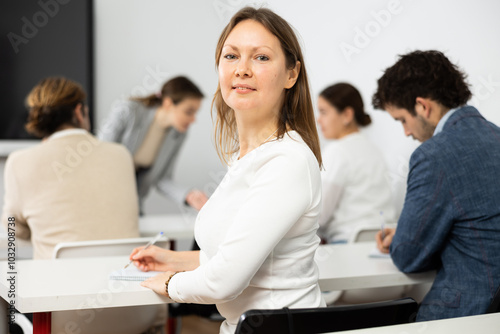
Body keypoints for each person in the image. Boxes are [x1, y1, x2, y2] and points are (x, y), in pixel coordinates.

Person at [130, 7, 325, 333]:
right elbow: (233, 256)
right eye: (231, 56)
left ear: (291, 74)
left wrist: (168, 283)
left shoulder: (287, 160)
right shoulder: (245, 157)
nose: (242, 70)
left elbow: (223, 281)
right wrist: (174, 260)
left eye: (261, 58)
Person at [373, 50, 500, 321]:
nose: (406, 132)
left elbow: (408, 255)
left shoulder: (433, 155)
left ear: (422, 107)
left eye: (402, 120)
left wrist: (404, 237)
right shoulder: (496, 136)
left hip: (466, 314)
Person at [1, 77, 139, 259]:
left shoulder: (19, 162)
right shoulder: (121, 154)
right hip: (124, 279)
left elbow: (15, 229)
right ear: (79, 111)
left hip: (57, 283)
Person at [99, 76, 208, 213]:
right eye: (188, 112)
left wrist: (189, 195)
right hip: (104, 193)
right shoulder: (129, 111)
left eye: (195, 113)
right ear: (168, 103)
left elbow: (162, 179)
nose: (193, 119)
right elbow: (101, 152)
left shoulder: (179, 135)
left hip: (134, 201)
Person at [317, 83, 395, 243]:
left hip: (347, 244)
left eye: (323, 112)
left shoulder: (337, 151)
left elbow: (319, 215)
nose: (318, 120)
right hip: (384, 241)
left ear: (346, 115)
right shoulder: (374, 150)